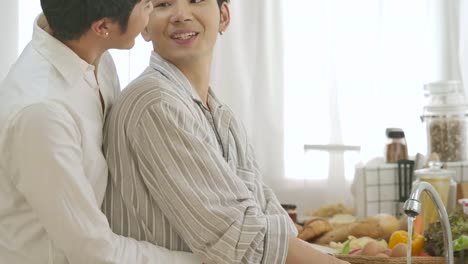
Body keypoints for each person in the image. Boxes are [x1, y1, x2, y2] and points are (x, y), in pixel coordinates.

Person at [103, 0, 350, 263]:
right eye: (163, 4)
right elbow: (242, 241)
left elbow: (268, 217)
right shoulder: (156, 103)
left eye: (196, 0)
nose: (181, 15)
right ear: (145, 24)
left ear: (224, 16)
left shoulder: (221, 116)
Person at [0, 0, 200, 263]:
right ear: (103, 27)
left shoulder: (93, 55)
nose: (152, 9)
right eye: (147, 5)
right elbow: (93, 251)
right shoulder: (42, 114)